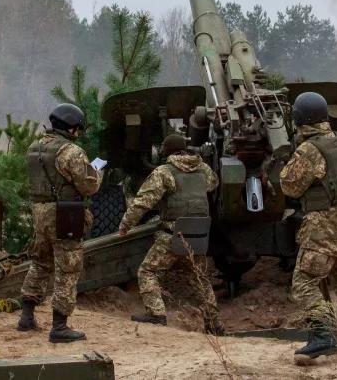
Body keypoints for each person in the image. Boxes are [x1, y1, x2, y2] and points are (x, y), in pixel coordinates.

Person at [279, 91, 337, 359]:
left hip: (326, 230)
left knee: (304, 282)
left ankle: (324, 335)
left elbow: (290, 186)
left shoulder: (309, 150)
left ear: (298, 118)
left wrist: (285, 161)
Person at [117, 133, 224, 335]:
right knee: (200, 278)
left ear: (165, 151)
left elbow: (142, 202)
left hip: (172, 234)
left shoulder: (164, 172)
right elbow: (213, 184)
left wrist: (125, 225)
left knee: (148, 272)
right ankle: (214, 324)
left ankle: (157, 314)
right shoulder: (204, 169)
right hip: (198, 234)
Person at [18, 103, 103, 343]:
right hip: (63, 214)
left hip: (39, 212)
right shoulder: (70, 151)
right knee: (68, 268)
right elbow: (89, 185)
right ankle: (59, 326)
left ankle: (26, 316)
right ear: (72, 127)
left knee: (40, 262)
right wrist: (98, 168)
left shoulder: (34, 148)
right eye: (78, 128)